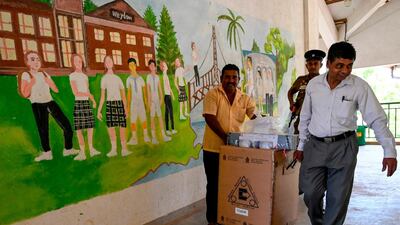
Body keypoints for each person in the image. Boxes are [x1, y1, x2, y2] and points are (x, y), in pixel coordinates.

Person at [294, 41, 397, 225]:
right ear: (328, 64)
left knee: (338, 198)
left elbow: (376, 118)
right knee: (310, 192)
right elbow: (305, 116)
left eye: (349, 66)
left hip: (344, 147)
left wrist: (389, 151)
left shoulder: (359, 86)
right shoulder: (314, 85)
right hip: (315, 146)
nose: (345, 71)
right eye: (339, 66)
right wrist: (301, 145)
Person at [202, 64, 256, 225]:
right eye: (227, 77)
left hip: (235, 152)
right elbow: (210, 118)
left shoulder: (245, 99)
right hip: (213, 150)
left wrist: (268, 129)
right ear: (221, 79)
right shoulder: (213, 95)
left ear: (239, 80)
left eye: (234, 77)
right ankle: (212, 220)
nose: (231, 80)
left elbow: (256, 119)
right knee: (214, 186)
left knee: (233, 186)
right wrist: (227, 138)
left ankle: (229, 217)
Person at [20, 51, 78, 161]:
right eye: (32, 59)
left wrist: (49, 82)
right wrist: (31, 83)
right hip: (37, 104)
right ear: (27, 62)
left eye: (37, 59)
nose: (36, 61)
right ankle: (47, 153)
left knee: (67, 125)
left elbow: (55, 89)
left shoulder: (45, 74)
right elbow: (25, 94)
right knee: (43, 130)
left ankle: (68, 149)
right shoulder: (26, 75)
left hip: (50, 102)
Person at [97, 55, 131, 157]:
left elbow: (124, 96)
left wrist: (126, 108)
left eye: (110, 60)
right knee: (111, 128)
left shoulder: (118, 78)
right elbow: (102, 97)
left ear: (113, 63)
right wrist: (98, 111)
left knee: (122, 128)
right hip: (109, 104)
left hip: (119, 104)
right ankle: (114, 150)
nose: (108, 62)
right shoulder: (104, 79)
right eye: (106, 61)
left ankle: (124, 149)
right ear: (105, 65)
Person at [69, 54, 100, 160]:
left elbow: (87, 90)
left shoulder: (85, 76)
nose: (79, 63)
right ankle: (82, 152)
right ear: (73, 63)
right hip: (79, 103)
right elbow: (75, 92)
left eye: (80, 61)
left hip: (86, 103)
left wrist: (93, 100)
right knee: (79, 129)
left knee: (90, 127)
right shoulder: (72, 75)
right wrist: (88, 95)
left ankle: (91, 149)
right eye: (77, 61)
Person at [288, 49, 326, 134]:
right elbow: (291, 92)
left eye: (316, 63)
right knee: (298, 140)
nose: (313, 66)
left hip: (318, 118)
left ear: (321, 65)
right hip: (301, 118)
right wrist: (291, 103)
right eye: (310, 64)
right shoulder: (301, 80)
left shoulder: (325, 82)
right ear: (306, 66)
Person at [126, 58, 150, 145]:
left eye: (133, 64)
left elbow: (145, 94)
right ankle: (134, 138)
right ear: (129, 67)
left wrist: (146, 104)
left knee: (143, 118)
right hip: (133, 103)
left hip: (141, 103)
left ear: (136, 65)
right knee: (133, 120)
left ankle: (146, 135)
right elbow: (128, 94)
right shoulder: (128, 79)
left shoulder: (141, 79)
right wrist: (127, 106)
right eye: (130, 65)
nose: (132, 66)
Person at [147, 59, 171, 144]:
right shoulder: (148, 77)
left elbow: (160, 89)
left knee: (160, 118)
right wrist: (149, 103)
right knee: (152, 118)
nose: (152, 67)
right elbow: (148, 91)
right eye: (151, 66)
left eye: (153, 65)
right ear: (149, 67)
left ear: (155, 67)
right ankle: (153, 138)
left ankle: (164, 136)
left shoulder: (157, 77)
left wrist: (161, 100)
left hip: (157, 100)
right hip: (152, 102)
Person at [160, 60, 177, 136]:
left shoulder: (165, 75)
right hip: (167, 96)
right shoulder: (165, 76)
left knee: (167, 113)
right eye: (164, 65)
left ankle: (167, 129)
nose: (165, 66)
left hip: (167, 96)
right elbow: (168, 87)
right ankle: (172, 129)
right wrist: (172, 94)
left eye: (165, 65)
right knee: (170, 113)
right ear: (163, 68)